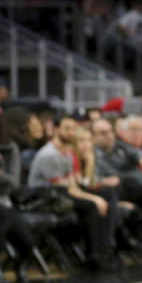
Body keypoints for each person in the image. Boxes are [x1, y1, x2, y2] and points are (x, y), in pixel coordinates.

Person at [27, 116, 121, 272]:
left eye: (73, 128)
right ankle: (94, 255)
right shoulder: (49, 155)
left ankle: (106, 250)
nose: (71, 133)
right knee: (91, 206)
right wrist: (93, 199)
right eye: (66, 128)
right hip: (45, 198)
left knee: (106, 195)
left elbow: (72, 185)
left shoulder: (67, 153)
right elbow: (64, 188)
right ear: (56, 130)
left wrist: (95, 197)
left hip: (61, 194)